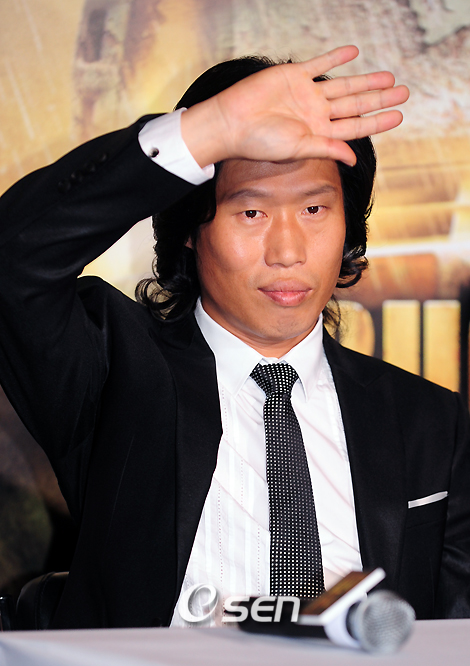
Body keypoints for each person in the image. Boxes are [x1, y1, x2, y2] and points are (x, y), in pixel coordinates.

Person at [0, 45, 468, 630]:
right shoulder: (114, 368)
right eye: (251, 213)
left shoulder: (430, 420)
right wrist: (211, 130)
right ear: (189, 229)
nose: (288, 252)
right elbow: (13, 262)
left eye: (315, 210)